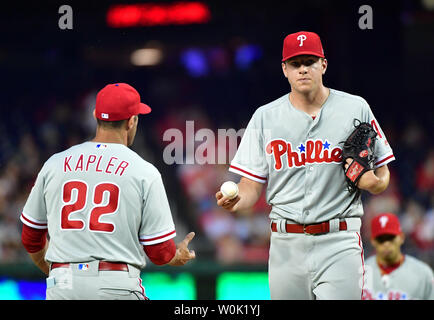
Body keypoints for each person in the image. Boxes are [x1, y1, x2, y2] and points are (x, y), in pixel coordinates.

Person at [216, 31, 395, 299]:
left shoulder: (355, 108)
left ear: (323, 64)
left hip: (339, 240)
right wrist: (237, 200)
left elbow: (382, 171)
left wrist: (377, 183)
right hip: (286, 244)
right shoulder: (265, 117)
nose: (303, 70)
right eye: (296, 64)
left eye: (309, 62)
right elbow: (250, 186)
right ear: (284, 69)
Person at [20, 83, 196, 300]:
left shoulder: (54, 164)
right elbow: (159, 252)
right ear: (132, 121)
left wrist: (64, 275)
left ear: (95, 115)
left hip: (62, 285)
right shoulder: (144, 171)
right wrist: (175, 255)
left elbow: (30, 238)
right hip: (116, 285)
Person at [363, 212, 434, 300]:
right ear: (373, 241)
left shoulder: (423, 273)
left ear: (401, 238)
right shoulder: (362, 273)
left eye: (391, 238)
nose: (386, 244)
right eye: (381, 239)